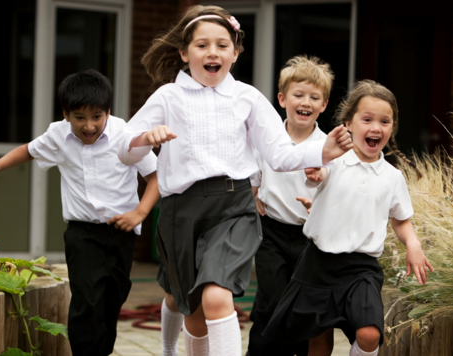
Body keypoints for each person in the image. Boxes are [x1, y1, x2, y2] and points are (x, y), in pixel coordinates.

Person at [117, 5, 353, 355]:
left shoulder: (248, 98)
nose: (212, 52)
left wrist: (325, 152)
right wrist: (144, 139)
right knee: (194, 314)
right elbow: (124, 149)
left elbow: (279, 155)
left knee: (216, 297)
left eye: (222, 45)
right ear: (185, 53)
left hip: (233, 207)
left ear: (235, 52)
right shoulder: (168, 96)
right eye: (202, 45)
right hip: (181, 212)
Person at [0, 69, 160, 356]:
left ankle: (100, 351)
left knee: (112, 299)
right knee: (87, 299)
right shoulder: (58, 135)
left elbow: (155, 177)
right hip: (82, 232)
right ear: (66, 114)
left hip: (122, 232)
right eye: (80, 118)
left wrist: (140, 213)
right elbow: (28, 150)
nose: (89, 126)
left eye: (96, 117)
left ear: (108, 112)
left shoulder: (125, 136)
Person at [263, 80, 434, 356]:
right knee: (319, 342)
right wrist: (317, 173)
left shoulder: (393, 177)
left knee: (369, 334)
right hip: (319, 263)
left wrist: (412, 244)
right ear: (349, 124)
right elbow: (321, 173)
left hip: (361, 268)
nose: (375, 127)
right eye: (367, 119)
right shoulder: (334, 159)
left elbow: (401, 220)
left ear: (392, 128)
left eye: (384, 121)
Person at [247, 55, 334, 356]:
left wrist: (321, 176)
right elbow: (254, 177)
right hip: (270, 233)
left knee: (300, 304)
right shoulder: (268, 140)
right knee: (272, 297)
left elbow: (335, 185)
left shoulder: (328, 146)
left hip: (309, 238)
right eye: (299, 95)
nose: (305, 102)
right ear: (283, 99)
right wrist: (253, 195)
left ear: (323, 105)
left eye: (314, 97)